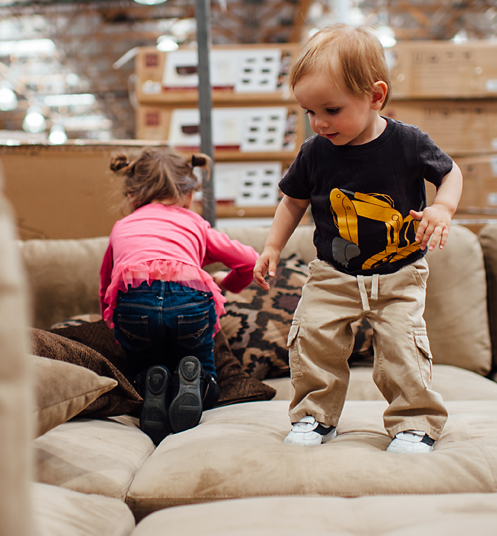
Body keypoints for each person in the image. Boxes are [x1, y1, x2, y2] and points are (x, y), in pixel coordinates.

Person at [253, 24, 464, 453]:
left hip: (400, 274)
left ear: (375, 96)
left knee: (403, 348)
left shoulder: (408, 143)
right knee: (312, 337)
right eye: (308, 112)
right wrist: (272, 246)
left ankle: (414, 422)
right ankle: (315, 417)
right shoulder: (314, 152)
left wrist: (442, 208)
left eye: (331, 110)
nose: (319, 123)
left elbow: (450, 173)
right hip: (333, 274)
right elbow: (292, 202)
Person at [100, 147, 259, 445]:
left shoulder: (121, 226)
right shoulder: (195, 223)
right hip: (188, 299)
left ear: (132, 195)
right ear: (189, 195)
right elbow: (250, 261)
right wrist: (230, 284)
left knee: (142, 366)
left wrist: (112, 322)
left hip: (134, 303)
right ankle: (197, 383)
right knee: (201, 365)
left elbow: (107, 281)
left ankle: (150, 385)